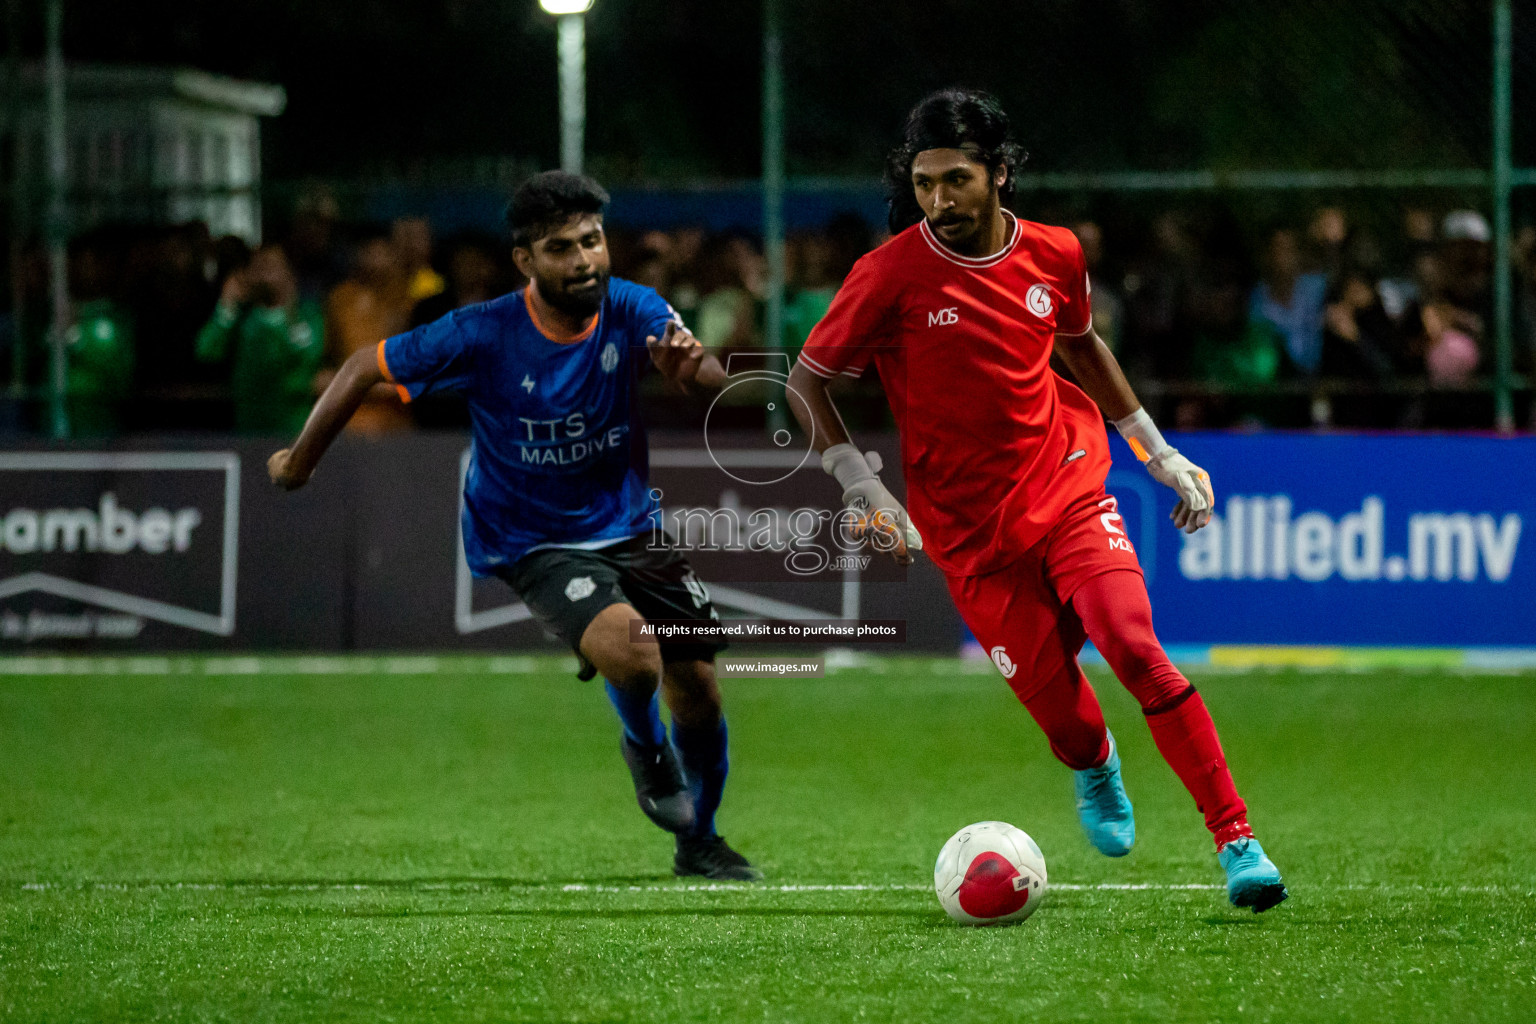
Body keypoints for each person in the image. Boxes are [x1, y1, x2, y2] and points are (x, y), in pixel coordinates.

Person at [784, 89, 1287, 912]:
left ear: (999, 174)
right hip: (969, 533)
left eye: (957, 180)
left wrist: (1157, 453)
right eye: (923, 184)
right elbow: (806, 382)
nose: (939, 201)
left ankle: (1238, 843)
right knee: (1070, 724)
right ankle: (1096, 765)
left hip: (1068, 484)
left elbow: (1082, 345)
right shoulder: (889, 275)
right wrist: (860, 484)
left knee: (1132, 644)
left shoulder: (1056, 254)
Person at [266, 171, 759, 882]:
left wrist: (696, 372)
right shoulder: (482, 329)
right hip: (531, 537)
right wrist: (299, 462)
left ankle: (700, 841)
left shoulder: (631, 306)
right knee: (635, 653)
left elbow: (698, 369)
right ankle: (645, 750)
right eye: (561, 248)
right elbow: (361, 368)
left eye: (592, 241)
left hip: (628, 524)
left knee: (701, 688)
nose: (584, 259)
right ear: (526, 261)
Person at [195, 243, 325, 435]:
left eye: (272, 266)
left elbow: (310, 356)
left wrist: (290, 313)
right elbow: (207, 351)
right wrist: (227, 305)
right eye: (259, 267)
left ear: (288, 273)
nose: (265, 274)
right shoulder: (241, 318)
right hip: (248, 431)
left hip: (294, 431)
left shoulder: (307, 315)